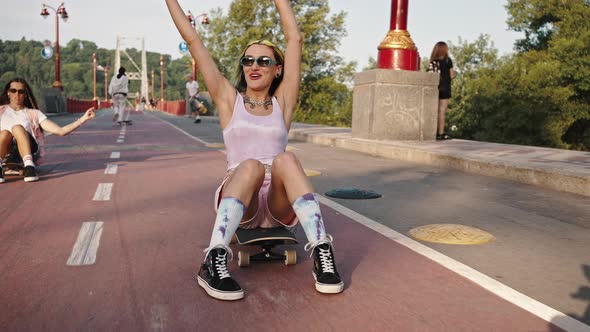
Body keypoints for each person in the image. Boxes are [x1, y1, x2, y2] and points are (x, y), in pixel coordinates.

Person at [166, 0, 344, 300]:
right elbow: (193, 39)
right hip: (242, 196)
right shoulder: (227, 99)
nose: (254, 66)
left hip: (277, 205)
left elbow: (294, 39)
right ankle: (213, 259)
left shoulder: (282, 103)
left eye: (263, 61)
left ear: (277, 70)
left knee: (286, 158)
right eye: (248, 61)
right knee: (251, 165)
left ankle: (322, 252)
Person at [0, 77, 95, 183]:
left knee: (17, 128)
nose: (17, 94)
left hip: (30, 151)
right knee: (4, 133)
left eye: (21, 91)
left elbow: (61, 131)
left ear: (25, 94)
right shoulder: (1, 111)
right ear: (8, 92)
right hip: (6, 153)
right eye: (13, 91)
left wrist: (83, 119)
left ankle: (29, 167)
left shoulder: (33, 113)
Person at [427, 41, 456, 140]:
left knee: (433, 110)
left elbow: (429, 75)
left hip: (434, 88)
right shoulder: (448, 61)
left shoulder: (432, 62)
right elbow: (452, 76)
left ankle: (430, 133)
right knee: (442, 111)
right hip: (445, 88)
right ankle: (441, 134)